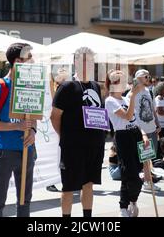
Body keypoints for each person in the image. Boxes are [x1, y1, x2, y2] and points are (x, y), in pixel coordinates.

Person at [51, 47, 106, 218]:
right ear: (75, 62)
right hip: (72, 147)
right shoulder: (67, 86)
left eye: (90, 61)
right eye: (83, 60)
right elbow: (54, 117)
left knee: (88, 185)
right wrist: (65, 137)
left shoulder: (96, 86)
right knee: (68, 187)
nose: (87, 64)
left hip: (95, 146)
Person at [0, 43, 36, 217]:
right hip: (5, 149)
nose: (32, 61)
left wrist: (33, 131)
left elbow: (33, 116)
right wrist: (15, 126)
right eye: (28, 58)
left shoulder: (30, 86)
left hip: (27, 149)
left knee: (25, 200)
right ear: (17, 61)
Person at [105, 69, 145, 217]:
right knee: (130, 173)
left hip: (135, 134)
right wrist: (134, 95)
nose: (125, 84)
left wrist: (144, 135)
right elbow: (128, 116)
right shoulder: (110, 101)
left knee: (138, 170)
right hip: (123, 136)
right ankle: (126, 204)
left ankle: (130, 202)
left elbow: (135, 120)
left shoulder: (126, 99)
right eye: (121, 81)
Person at [128, 70, 161, 191]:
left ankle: (148, 180)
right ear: (138, 78)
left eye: (149, 76)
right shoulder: (132, 93)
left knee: (149, 157)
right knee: (144, 157)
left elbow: (152, 108)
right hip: (141, 129)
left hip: (151, 127)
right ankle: (146, 181)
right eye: (146, 77)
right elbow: (131, 114)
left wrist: (157, 122)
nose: (148, 78)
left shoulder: (148, 91)